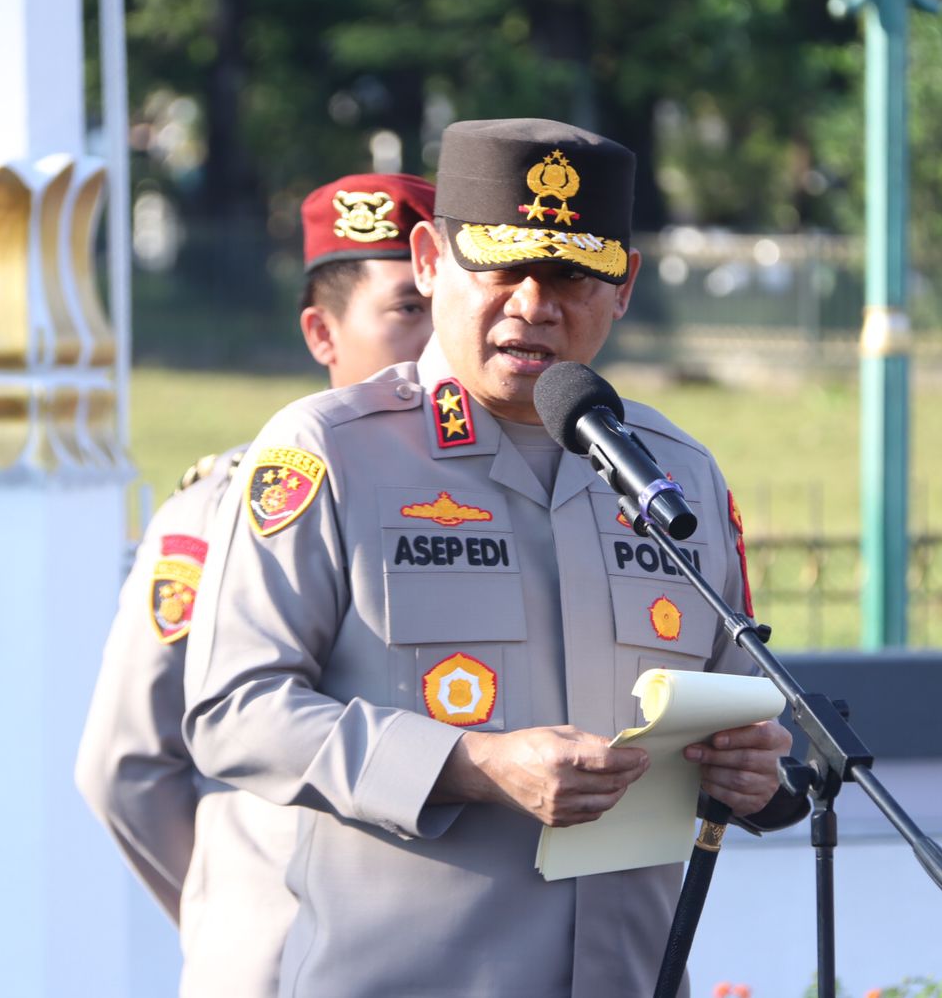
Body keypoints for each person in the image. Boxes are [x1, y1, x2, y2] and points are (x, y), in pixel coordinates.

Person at [182, 117, 802, 997]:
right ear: (430, 261)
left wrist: (755, 773)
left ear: (623, 286)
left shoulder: (676, 475)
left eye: (573, 275)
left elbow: (738, 712)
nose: (534, 305)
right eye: (503, 268)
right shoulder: (332, 451)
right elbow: (233, 711)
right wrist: (470, 766)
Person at [75, 172, 437, 997]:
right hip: (282, 962)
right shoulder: (237, 503)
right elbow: (126, 762)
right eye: (406, 310)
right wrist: (232, 906)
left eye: (442, 305)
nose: (432, 340)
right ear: (322, 333)